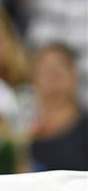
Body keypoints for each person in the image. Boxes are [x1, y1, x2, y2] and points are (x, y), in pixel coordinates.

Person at [28, 43, 88, 171]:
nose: (53, 76)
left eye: (59, 69)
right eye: (46, 70)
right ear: (34, 77)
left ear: (75, 75)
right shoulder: (21, 130)